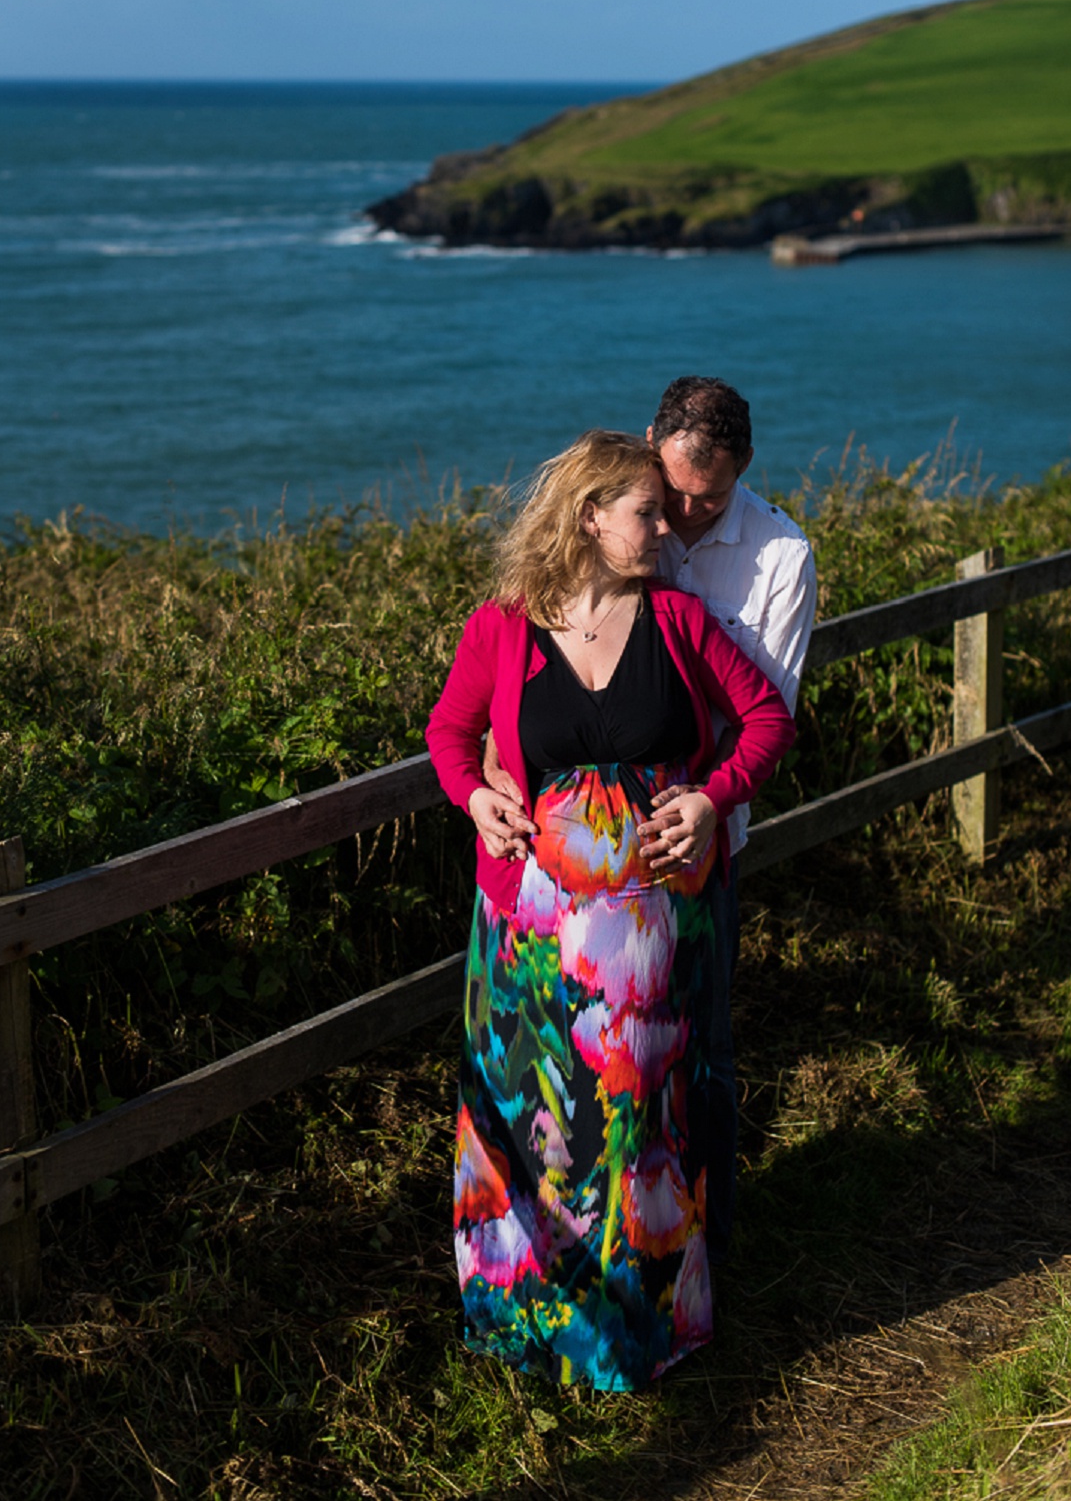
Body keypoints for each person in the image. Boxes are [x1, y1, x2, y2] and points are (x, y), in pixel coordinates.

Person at [426, 430, 795, 1390]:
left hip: (648, 939)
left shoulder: (677, 619)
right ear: (590, 517)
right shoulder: (502, 624)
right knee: (527, 1123)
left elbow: (767, 718)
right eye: (645, 510)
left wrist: (714, 797)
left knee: (631, 1130)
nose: (664, 526)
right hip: (527, 935)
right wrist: (474, 795)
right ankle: (526, 1320)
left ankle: (633, 1333)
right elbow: (448, 730)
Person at [480, 379, 817, 1272]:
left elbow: (762, 712)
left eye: (710, 496)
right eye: (671, 496)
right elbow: (484, 710)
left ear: (742, 470)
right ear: (645, 456)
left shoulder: (777, 557)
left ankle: (696, 1272)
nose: (687, 514)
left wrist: (707, 802)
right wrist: (489, 768)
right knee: (556, 1096)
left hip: (687, 862)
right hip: (553, 902)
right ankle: (568, 1285)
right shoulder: (566, 582)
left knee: (687, 1072)